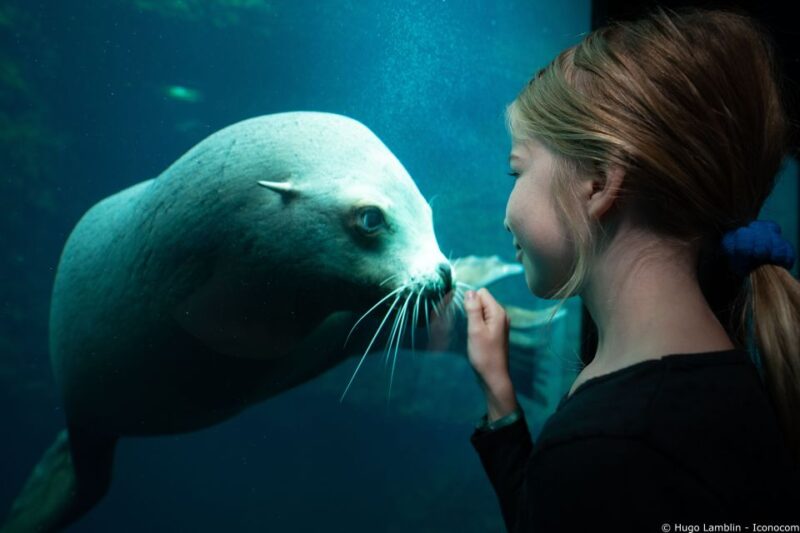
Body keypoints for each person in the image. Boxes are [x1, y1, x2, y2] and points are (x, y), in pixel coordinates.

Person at [462, 6, 800, 532]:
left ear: (597, 182)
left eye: (517, 170)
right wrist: (500, 400)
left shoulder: (609, 448)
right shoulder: (714, 388)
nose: (506, 214)